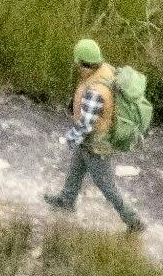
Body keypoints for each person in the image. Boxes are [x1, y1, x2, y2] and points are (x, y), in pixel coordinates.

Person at [44, 38, 143, 231]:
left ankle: (133, 221)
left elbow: (86, 123)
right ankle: (66, 200)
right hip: (89, 142)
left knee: (106, 185)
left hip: (97, 145)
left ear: (82, 63)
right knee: (76, 169)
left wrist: (69, 138)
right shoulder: (105, 69)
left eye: (78, 63)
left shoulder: (95, 91)